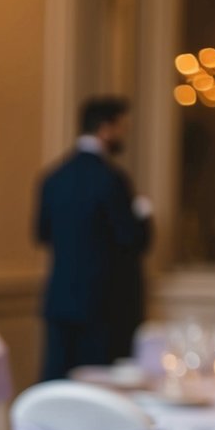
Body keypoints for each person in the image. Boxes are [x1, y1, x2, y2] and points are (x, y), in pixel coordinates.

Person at [34, 96, 152, 381]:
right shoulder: (111, 179)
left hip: (60, 302)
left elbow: (41, 235)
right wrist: (144, 214)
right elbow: (132, 240)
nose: (124, 136)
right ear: (105, 128)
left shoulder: (52, 177)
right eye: (123, 128)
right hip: (103, 307)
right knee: (96, 393)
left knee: (56, 388)